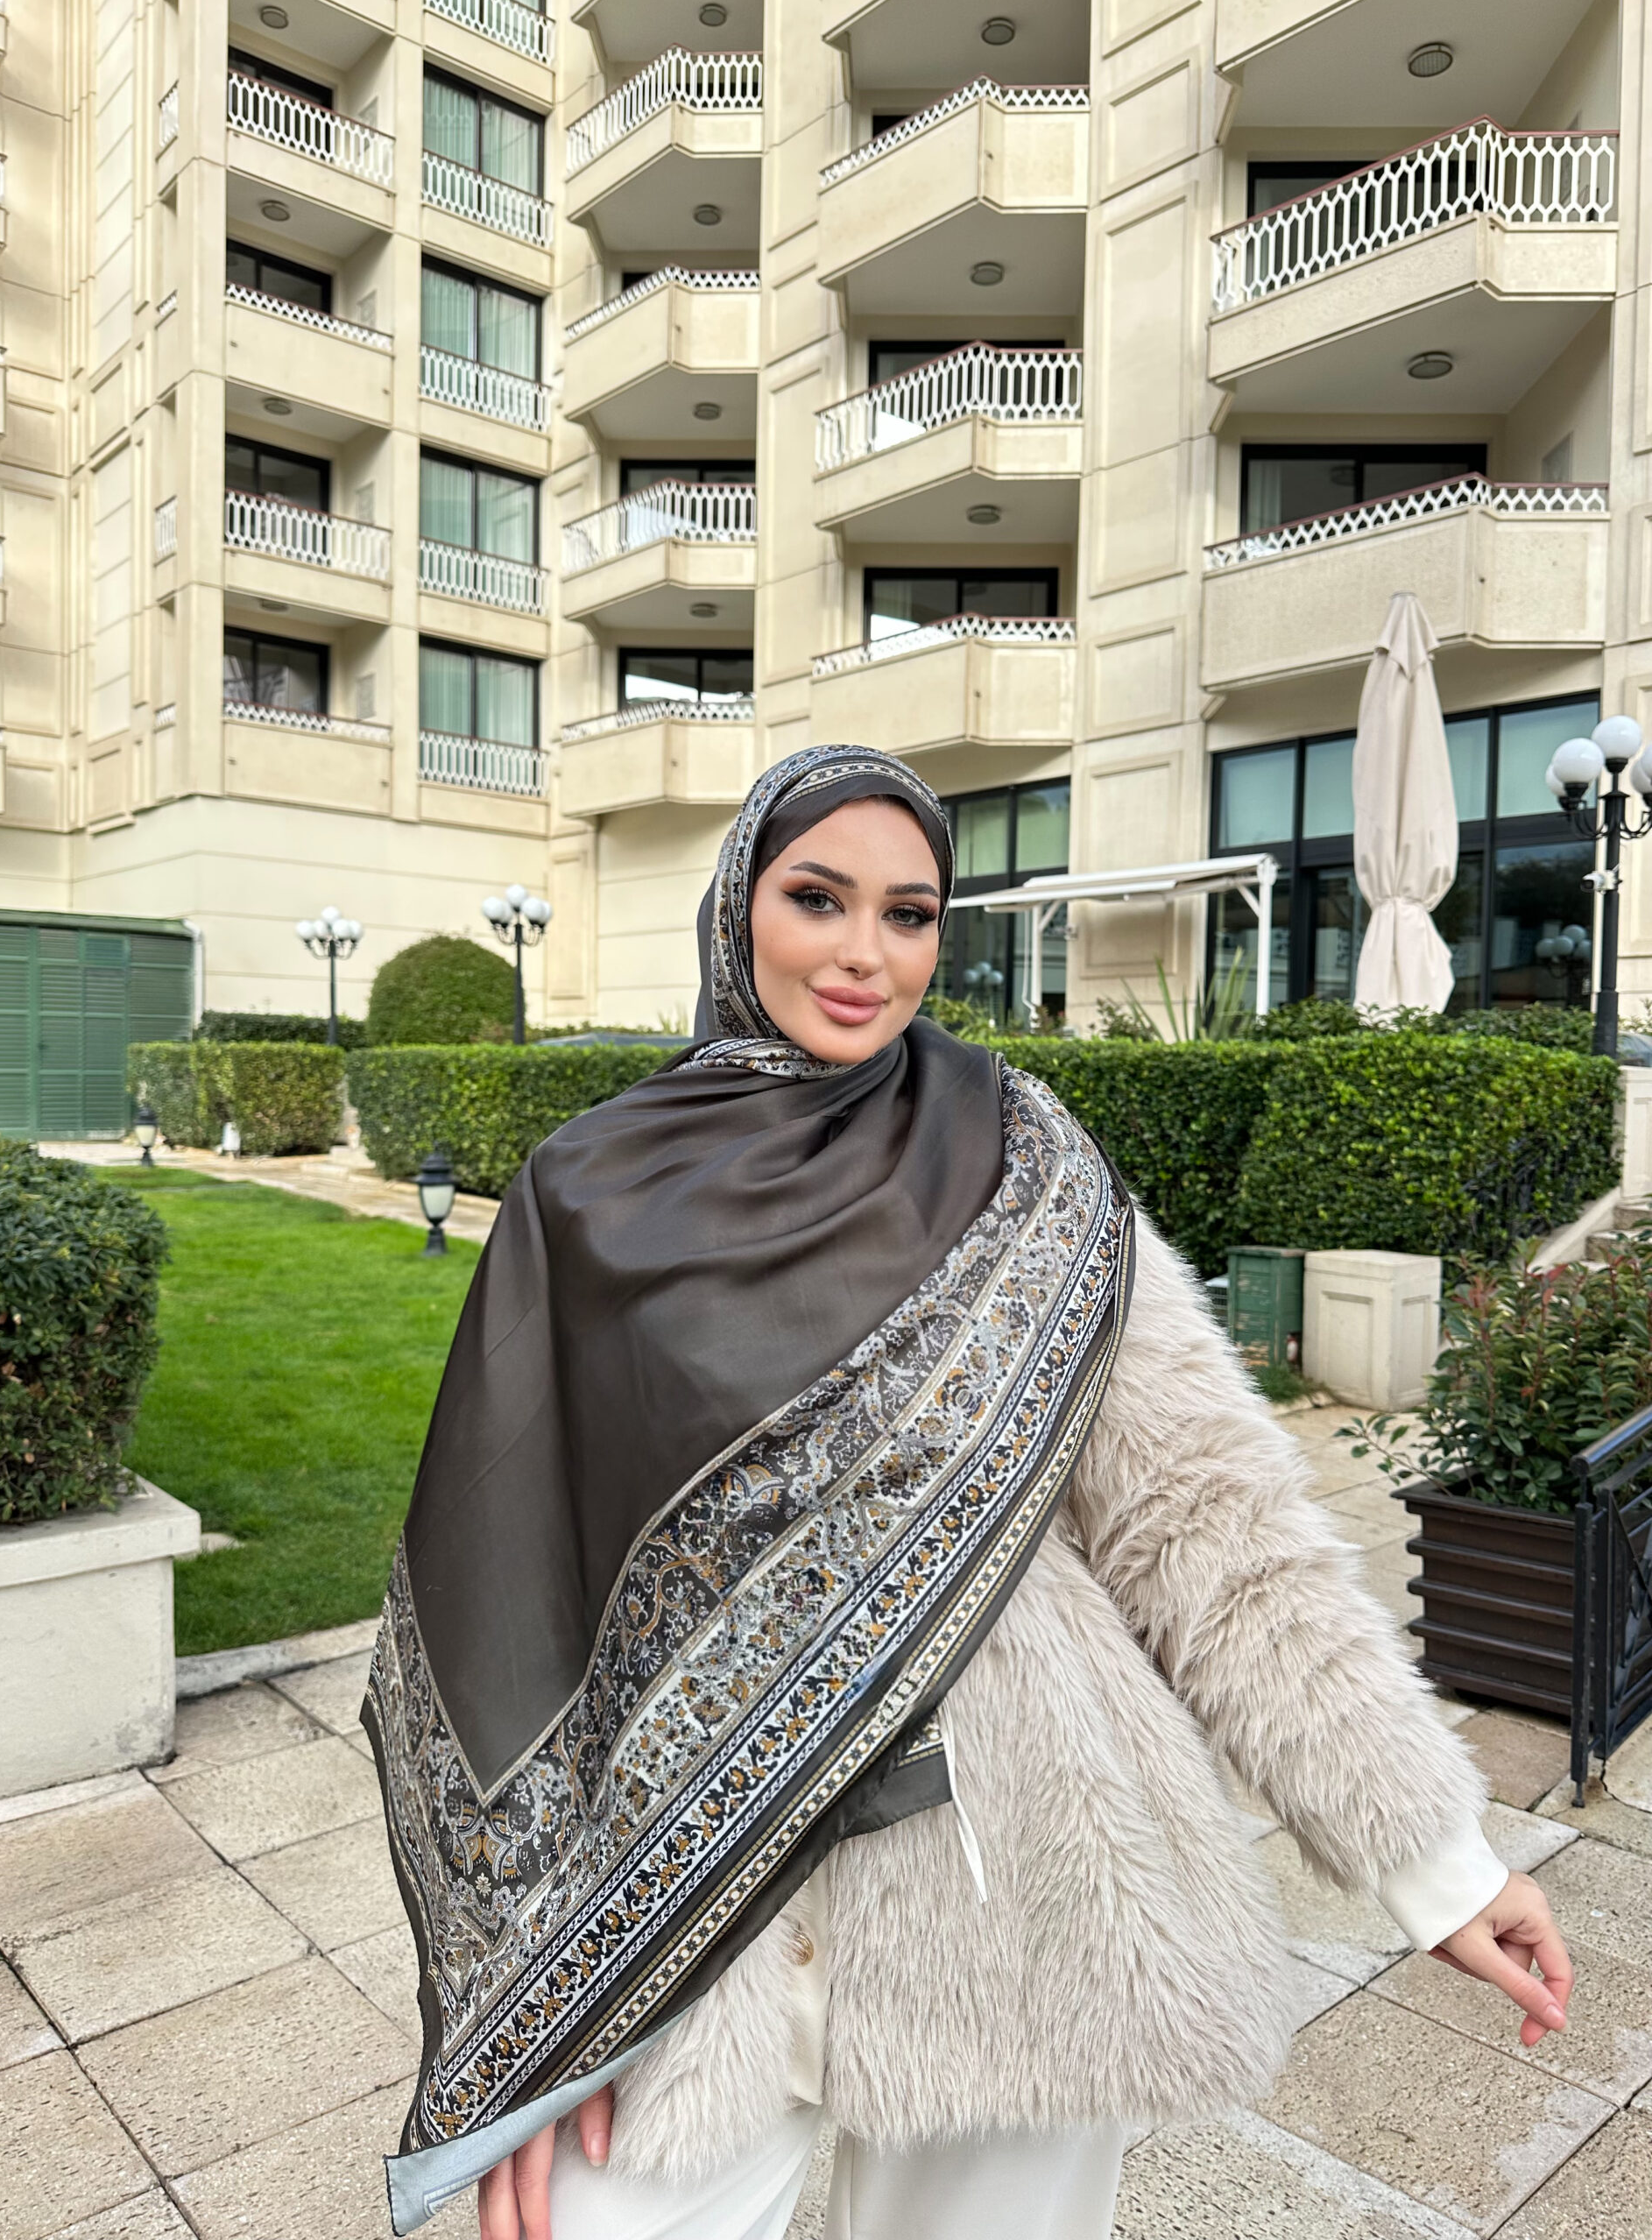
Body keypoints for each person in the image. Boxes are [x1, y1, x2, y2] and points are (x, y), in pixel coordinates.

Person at [362, 746, 1574, 2240]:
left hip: (1019, 1880)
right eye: (818, 899)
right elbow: (516, 1595)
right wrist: (530, 2023)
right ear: (738, 906)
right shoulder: (591, 1190)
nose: (865, 955)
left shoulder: (1026, 1162)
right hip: (686, 1915)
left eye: (910, 914)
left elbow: (1212, 1531)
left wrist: (1439, 1865)